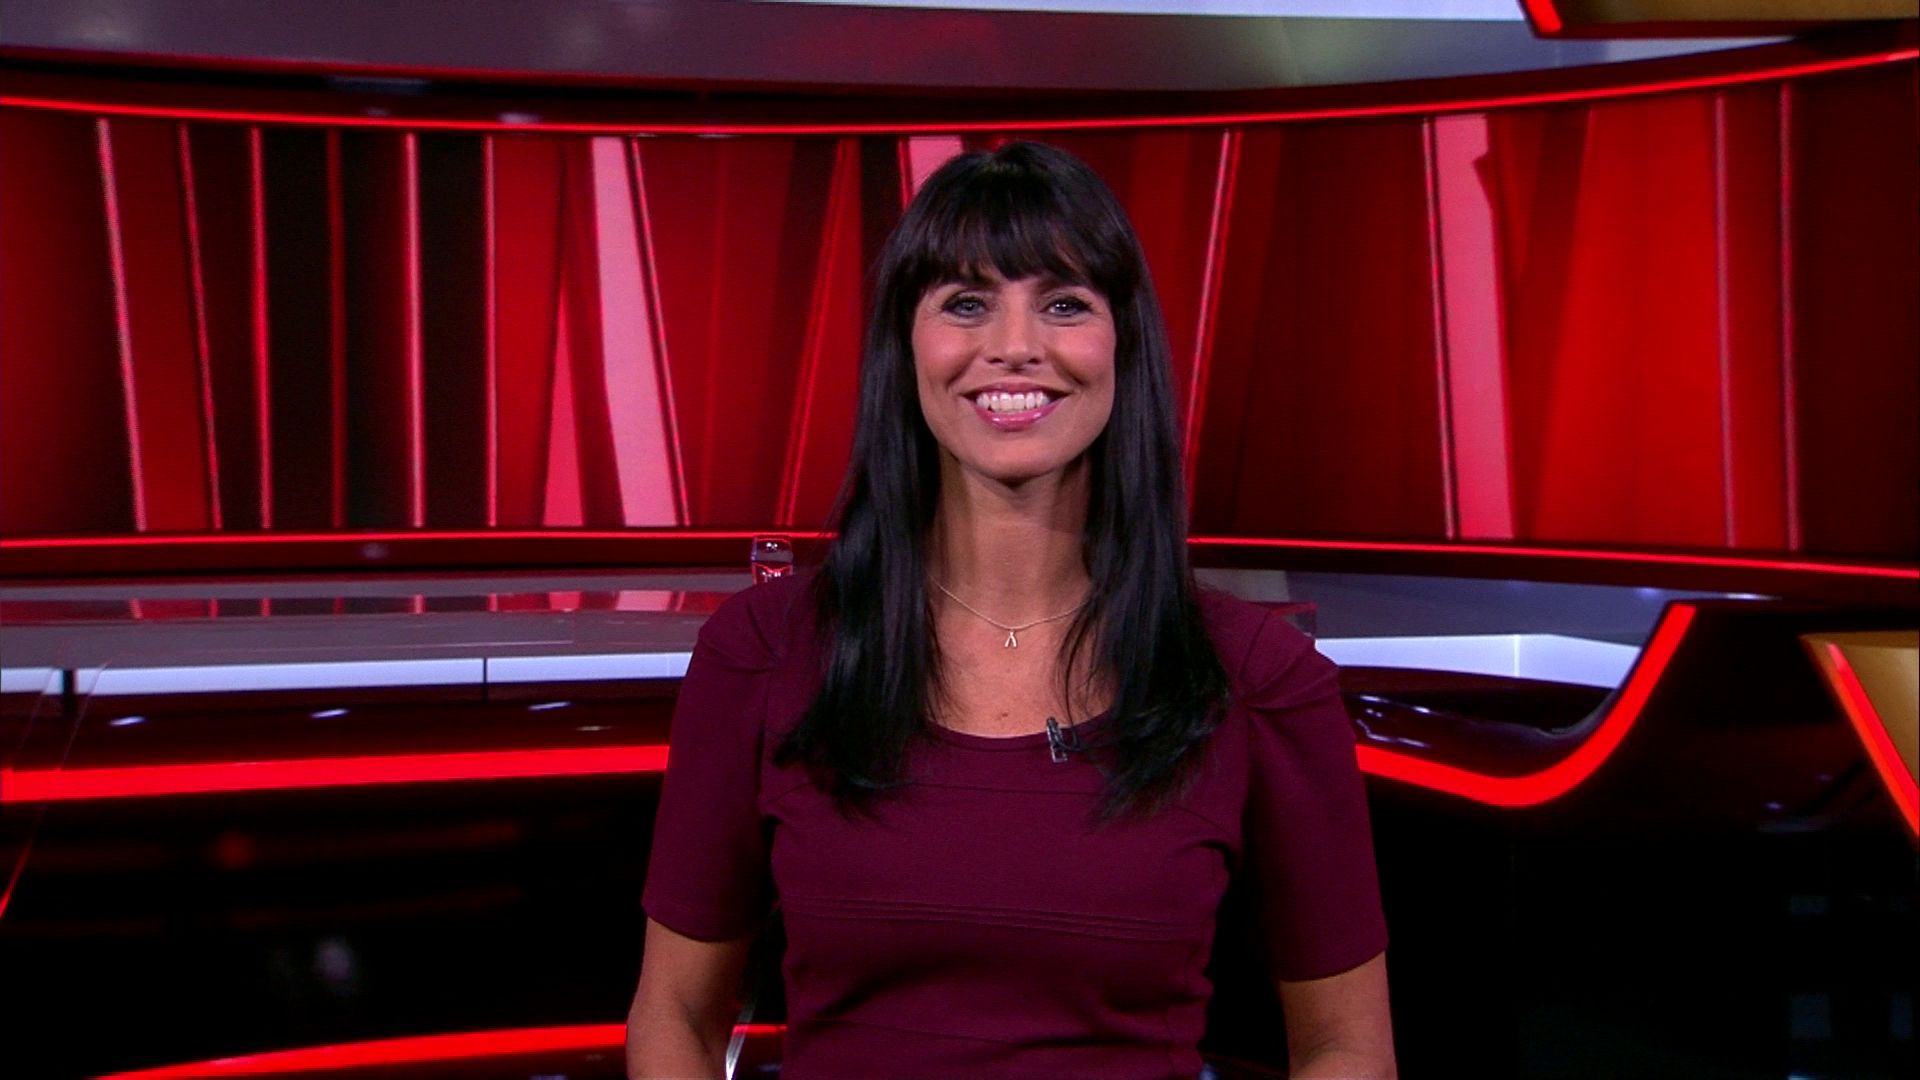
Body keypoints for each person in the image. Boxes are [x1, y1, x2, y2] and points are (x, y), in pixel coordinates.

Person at [626, 140, 1394, 1080]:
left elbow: (1347, 1046)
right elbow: (674, 1016)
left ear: (1124, 346)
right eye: (967, 302)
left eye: (1064, 303)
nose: (1016, 344)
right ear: (906, 346)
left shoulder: (1259, 680)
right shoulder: (763, 652)